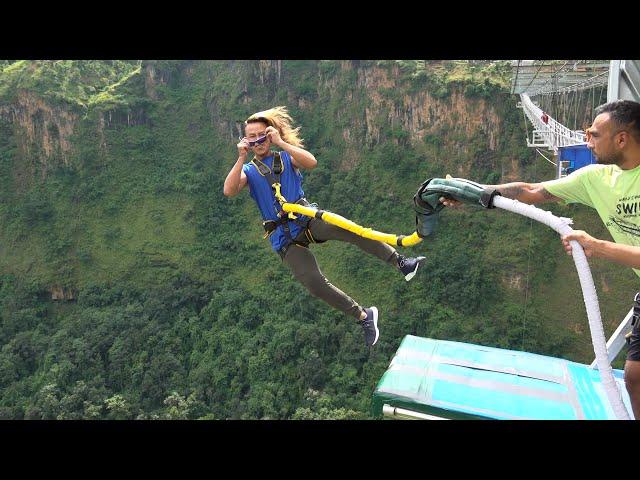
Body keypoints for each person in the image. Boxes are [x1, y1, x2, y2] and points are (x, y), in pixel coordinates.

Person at [440, 99, 640, 419]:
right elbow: (532, 190)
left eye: (593, 134)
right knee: (634, 377)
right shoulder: (596, 178)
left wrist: (596, 246)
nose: (585, 139)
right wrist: (475, 193)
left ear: (621, 139)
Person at [223, 106, 426, 347]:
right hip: (283, 236)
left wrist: (281, 142)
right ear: (246, 141)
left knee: (350, 230)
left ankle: (401, 262)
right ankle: (363, 316)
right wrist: (240, 157)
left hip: (306, 217)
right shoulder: (248, 170)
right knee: (313, 283)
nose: (258, 141)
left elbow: (311, 162)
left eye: (262, 135)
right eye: (251, 137)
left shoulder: (286, 157)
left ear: (270, 134)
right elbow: (230, 190)